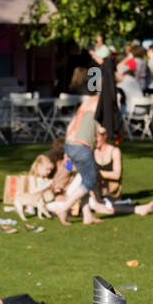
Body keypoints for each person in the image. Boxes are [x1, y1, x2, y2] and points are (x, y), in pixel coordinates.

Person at [47, 95, 99, 224]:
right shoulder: (64, 164)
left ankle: (87, 215)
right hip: (65, 188)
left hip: (73, 148)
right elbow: (69, 171)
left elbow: (70, 127)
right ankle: (64, 208)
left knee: (85, 178)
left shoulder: (62, 162)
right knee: (89, 180)